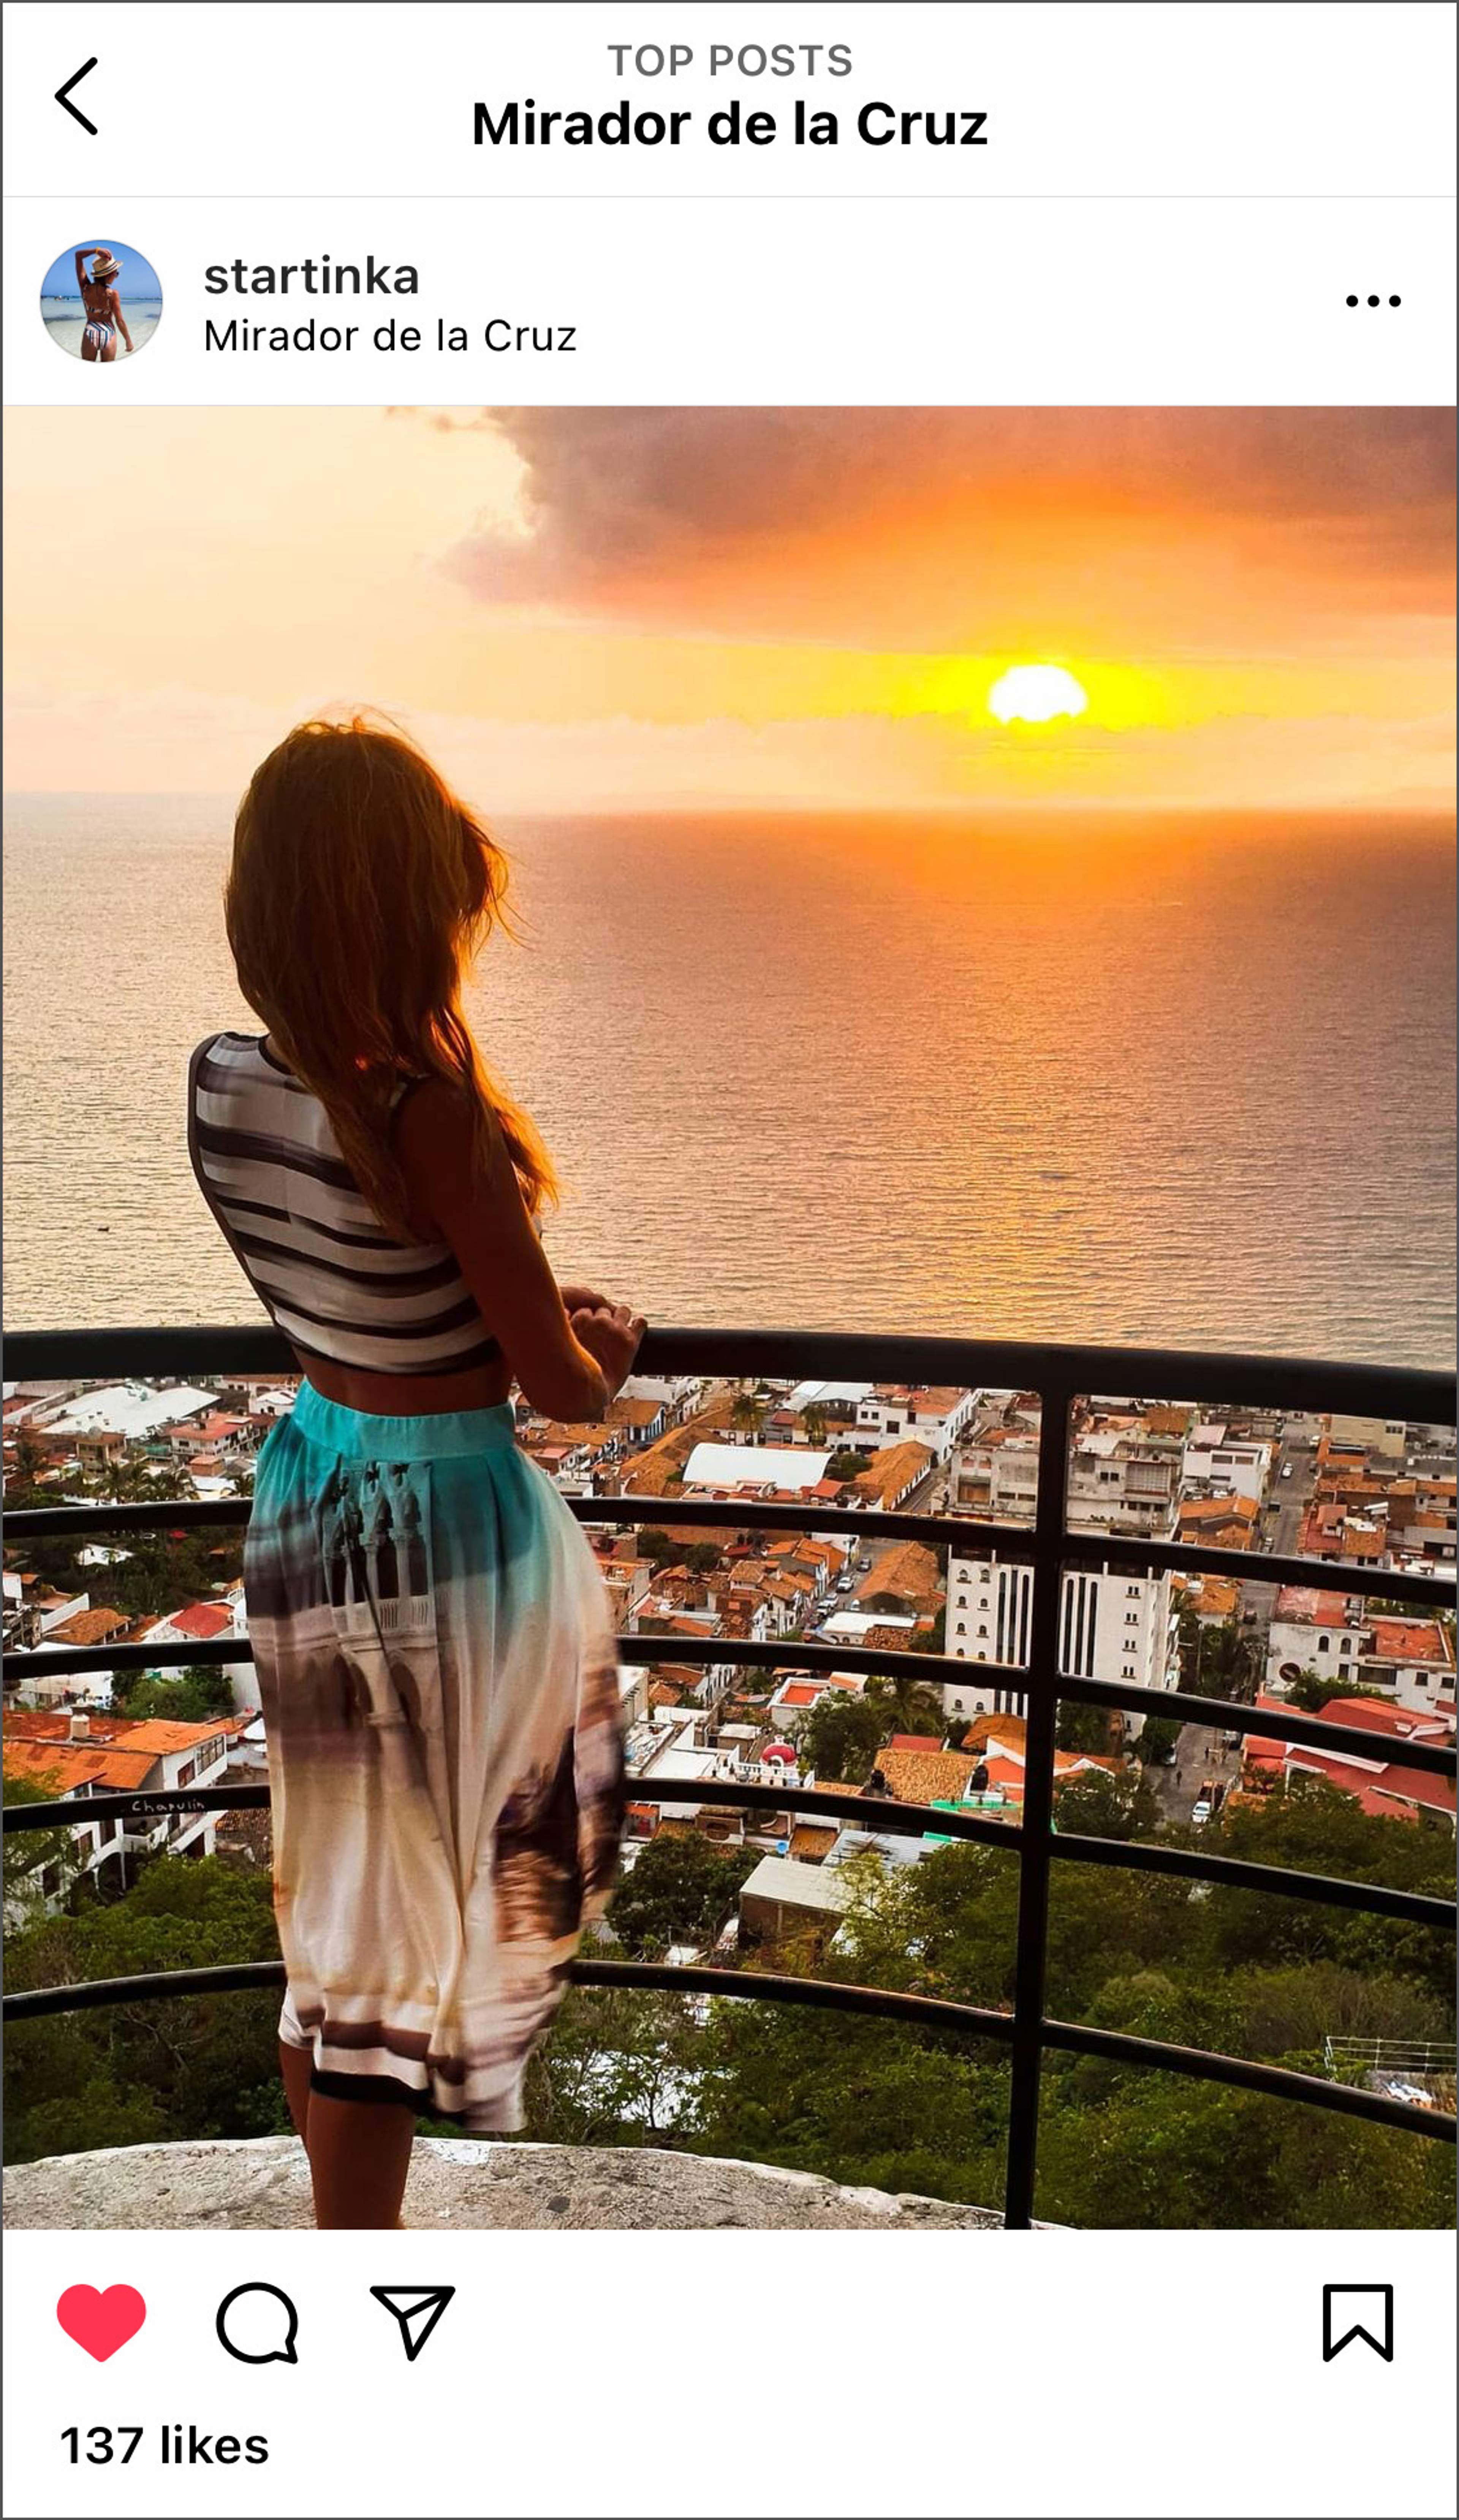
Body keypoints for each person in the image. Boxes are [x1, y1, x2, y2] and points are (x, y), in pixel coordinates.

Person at [187, 715, 646, 2228]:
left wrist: (476, 1304)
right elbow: (560, 1389)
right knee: (403, 1928)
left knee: (341, 1902)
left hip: (316, 1488)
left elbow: (358, 1290)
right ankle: (354, 2276)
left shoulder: (226, 1085)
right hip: (444, 1524)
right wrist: (605, 1342)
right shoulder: (429, 1118)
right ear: (404, 919)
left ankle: (341, 2246)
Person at [75, 248, 133, 362]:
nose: (117, 276)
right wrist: (128, 341)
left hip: (90, 331)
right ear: (109, 274)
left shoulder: (85, 288)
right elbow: (120, 321)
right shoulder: (113, 294)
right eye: (116, 273)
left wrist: (96, 251)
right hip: (108, 333)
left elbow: (78, 256)